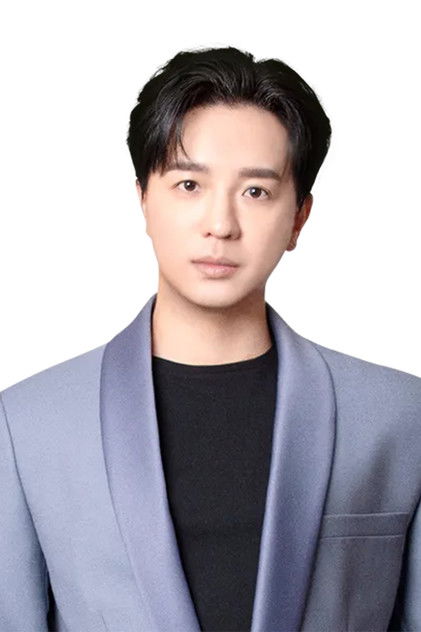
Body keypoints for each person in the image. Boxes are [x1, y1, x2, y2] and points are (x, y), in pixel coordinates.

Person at [1, 45, 419, 632]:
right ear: (143, 198)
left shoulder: (400, 417)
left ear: (299, 217)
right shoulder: (26, 425)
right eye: (189, 184)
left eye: (256, 192)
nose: (220, 225)